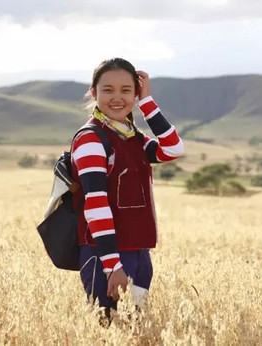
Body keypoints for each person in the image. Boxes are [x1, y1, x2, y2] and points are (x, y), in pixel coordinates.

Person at [70, 58, 184, 324]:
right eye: (108, 90)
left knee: (134, 331)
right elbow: (95, 203)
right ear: (93, 91)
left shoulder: (130, 135)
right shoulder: (91, 138)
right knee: (108, 330)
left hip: (138, 253)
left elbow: (173, 149)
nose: (117, 98)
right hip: (106, 257)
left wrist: (147, 102)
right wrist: (112, 266)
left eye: (126, 90)